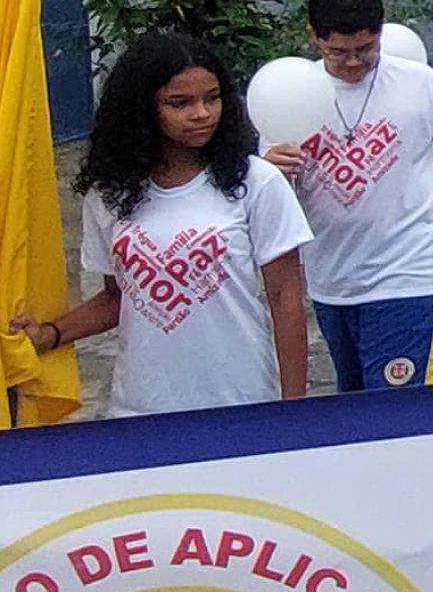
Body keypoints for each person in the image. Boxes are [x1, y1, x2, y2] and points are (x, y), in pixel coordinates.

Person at [14, 31, 310, 416]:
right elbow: (116, 298)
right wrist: (50, 334)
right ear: (141, 109)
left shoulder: (256, 181)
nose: (202, 113)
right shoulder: (109, 194)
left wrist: (295, 412)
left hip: (240, 402)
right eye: (180, 103)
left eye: (213, 97)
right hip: (139, 408)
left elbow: (287, 301)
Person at [271, 0, 433, 390]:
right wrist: (272, 171)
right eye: (338, 53)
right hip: (333, 279)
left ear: (381, 33)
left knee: (400, 409)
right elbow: (271, 194)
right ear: (313, 37)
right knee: (355, 403)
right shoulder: (288, 94)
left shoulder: (420, 84)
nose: (353, 63)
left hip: (411, 272)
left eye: (365, 51)